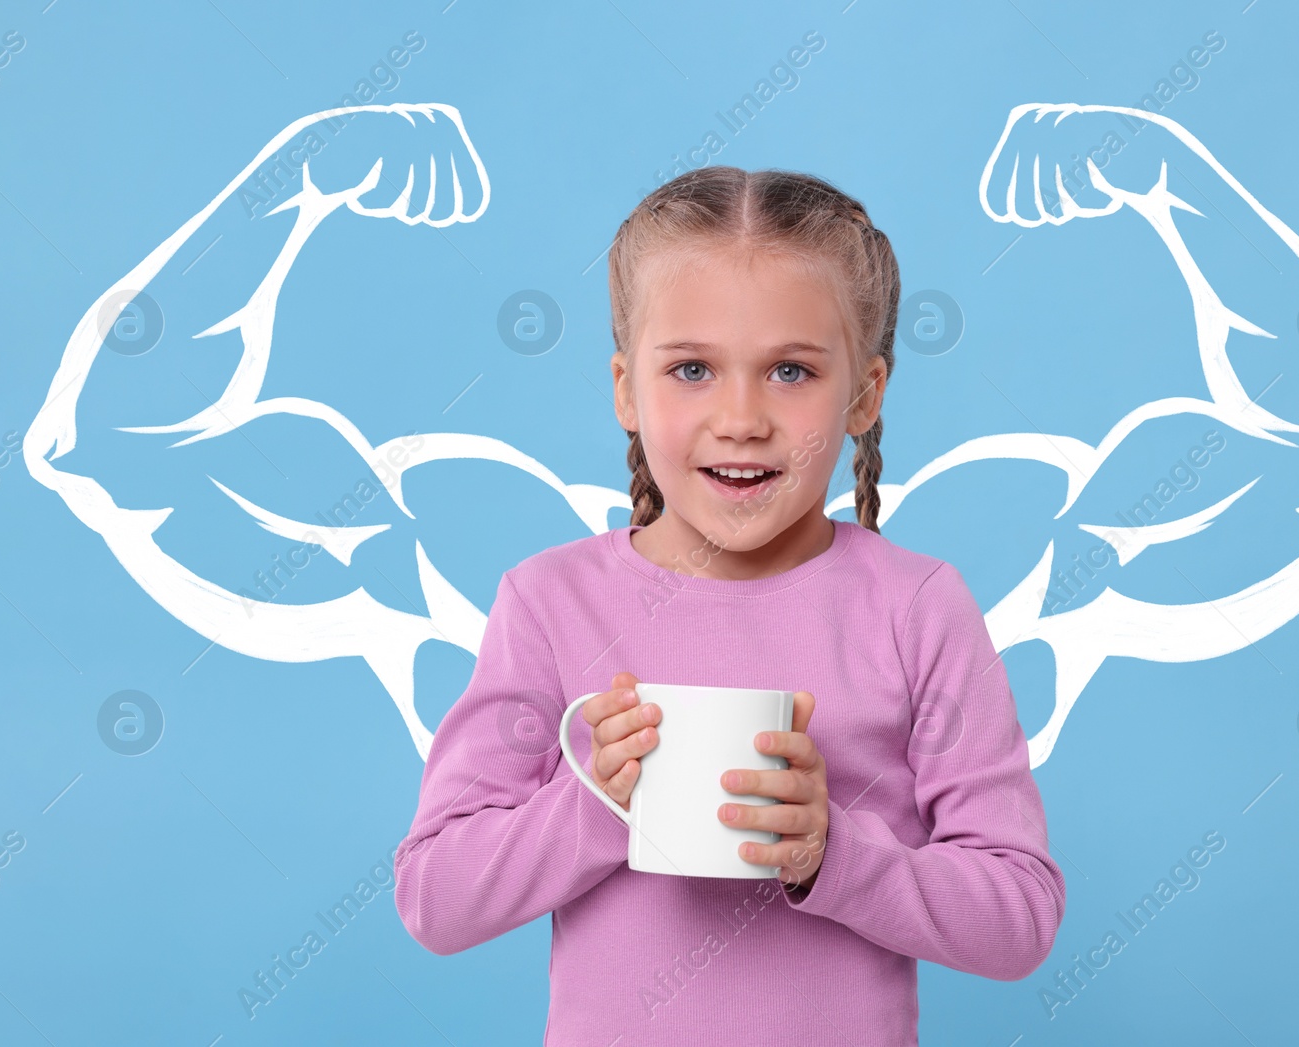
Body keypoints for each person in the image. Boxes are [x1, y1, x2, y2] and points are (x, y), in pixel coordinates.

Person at [393, 166, 1066, 1046]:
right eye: (692, 369)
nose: (741, 416)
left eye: (790, 370)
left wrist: (837, 854)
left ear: (865, 393)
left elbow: (1019, 918)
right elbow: (435, 898)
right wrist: (595, 802)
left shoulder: (918, 608)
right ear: (627, 389)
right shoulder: (551, 601)